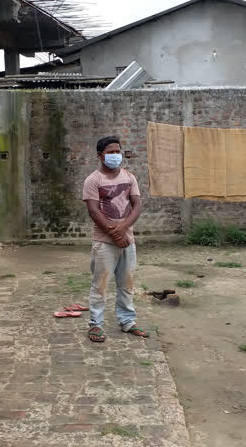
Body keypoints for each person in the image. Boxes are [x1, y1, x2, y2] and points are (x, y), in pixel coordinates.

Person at [82, 135, 147, 343]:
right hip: (104, 242)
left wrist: (123, 229)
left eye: (117, 151)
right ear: (100, 155)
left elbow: (136, 205)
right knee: (100, 284)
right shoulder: (93, 180)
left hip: (127, 241)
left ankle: (127, 321)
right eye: (110, 152)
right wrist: (114, 234)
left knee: (126, 283)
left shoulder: (129, 177)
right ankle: (96, 324)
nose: (115, 155)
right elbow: (93, 211)